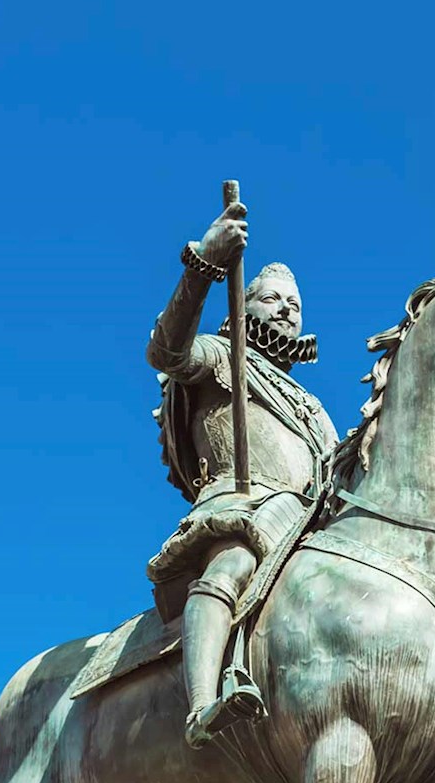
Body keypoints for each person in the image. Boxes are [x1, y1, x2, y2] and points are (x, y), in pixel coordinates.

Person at [147, 196, 340, 745]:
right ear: (244, 304)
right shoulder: (219, 355)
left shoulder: (314, 408)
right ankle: (202, 704)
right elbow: (167, 352)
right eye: (272, 298)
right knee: (232, 563)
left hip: (308, 528)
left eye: (295, 304)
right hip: (245, 508)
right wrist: (205, 265)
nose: (286, 310)